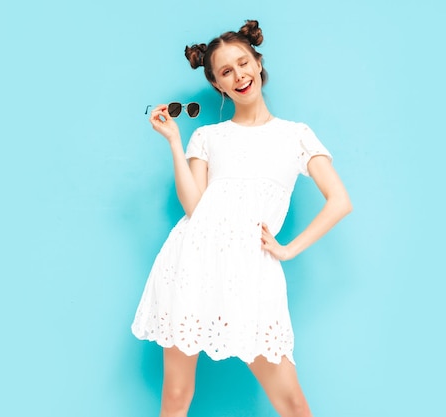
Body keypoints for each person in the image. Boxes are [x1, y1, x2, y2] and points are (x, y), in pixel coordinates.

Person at [131, 19, 352, 417]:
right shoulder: (208, 138)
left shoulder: (296, 135)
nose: (239, 75)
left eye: (243, 63)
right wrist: (175, 142)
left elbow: (339, 201)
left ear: (258, 62)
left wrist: (287, 250)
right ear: (218, 84)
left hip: (250, 268)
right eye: (226, 72)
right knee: (176, 397)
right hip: (192, 261)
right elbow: (195, 209)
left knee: (292, 402)